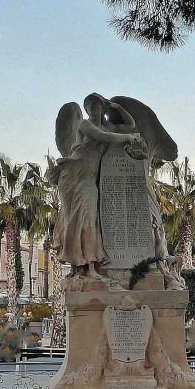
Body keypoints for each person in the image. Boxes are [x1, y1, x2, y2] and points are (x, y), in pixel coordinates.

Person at [51, 93, 138, 277]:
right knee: (73, 220)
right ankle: (79, 268)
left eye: (95, 105)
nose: (91, 109)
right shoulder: (85, 125)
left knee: (88, 219)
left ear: (102, 108)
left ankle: (90, 266)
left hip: (89, 178)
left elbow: (130, 125)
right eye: (89, 106)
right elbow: (103, 137)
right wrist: (127, 139)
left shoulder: (107, 126)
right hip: (73, 174)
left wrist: (117, 107)